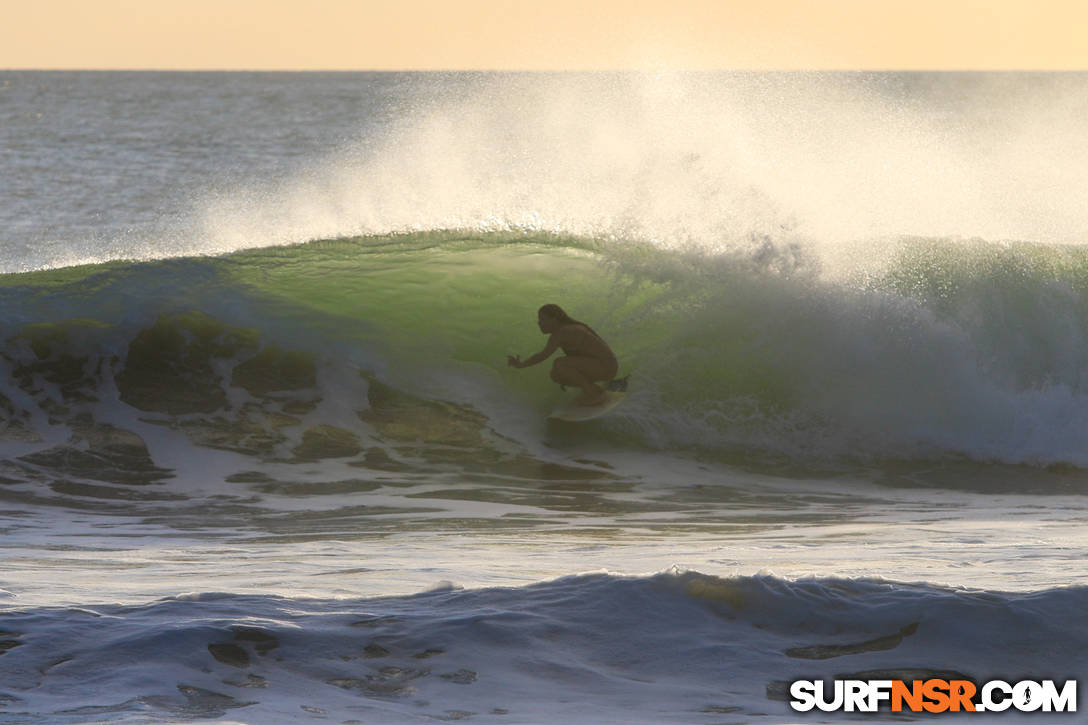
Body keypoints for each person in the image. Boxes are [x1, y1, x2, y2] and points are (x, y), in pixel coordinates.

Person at [507, 304, 618, 406]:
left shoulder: (564, 331)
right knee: (555, 374)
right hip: (603, 367)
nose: (539, 323)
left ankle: (593, 394)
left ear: (554, 319)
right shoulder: (564, 330)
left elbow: (542, 356)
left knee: (560, 363)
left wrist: (521, 365)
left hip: (606, 366)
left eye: (543, 319)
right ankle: (595, 389)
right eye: (539, 320)